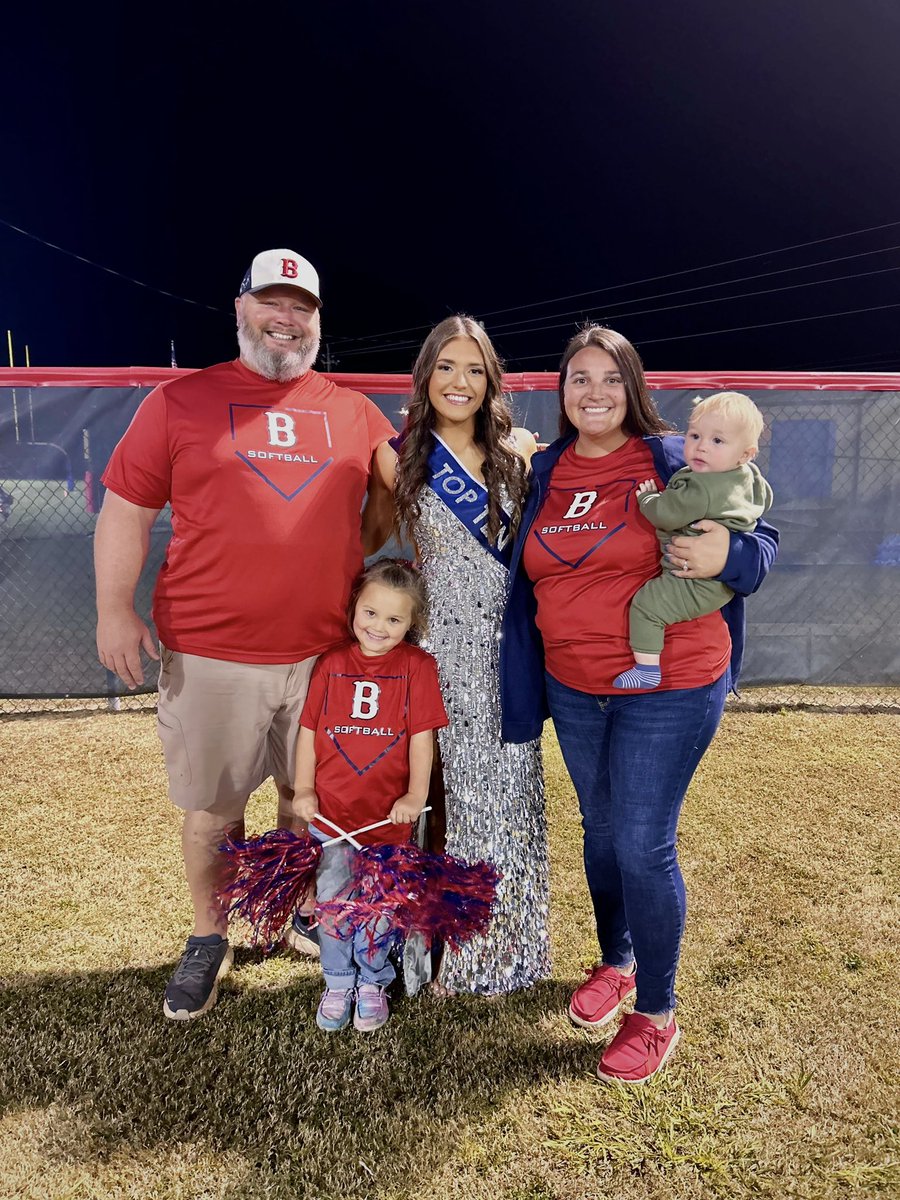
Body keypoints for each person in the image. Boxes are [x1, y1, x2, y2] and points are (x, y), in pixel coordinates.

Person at [94, 248, 396, 1021]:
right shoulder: (179, 401)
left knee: (306, 799)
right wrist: (113, 608)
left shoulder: (355, 412)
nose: (286, 319)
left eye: (302, 307)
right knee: (215, 808)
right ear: (239, 309)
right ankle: (208, 935)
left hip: (326, 650)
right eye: (271, 301)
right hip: (212, 651)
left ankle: (290, 909)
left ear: (318, 321)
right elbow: (127, 508)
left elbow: (405, 498)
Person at [500, 326, 778, 1083]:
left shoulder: (668, 457)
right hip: (575, 686)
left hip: (670, 682)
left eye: (610, 379)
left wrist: (734, 556)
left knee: (642, 841)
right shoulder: (543, 470)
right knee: (599, 833)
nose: (594, 393)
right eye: (578, 378)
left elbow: (759, 537)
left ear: (634, 388)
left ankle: (656, 1012)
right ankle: (617, 962)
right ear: (562, 391)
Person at [366, 315, 551, 996]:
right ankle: (431, 956)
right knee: (437, 803)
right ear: (425, 374)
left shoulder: (517, 450)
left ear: (491, 381)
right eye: (447, 366)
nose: (460, 381)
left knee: (506, 803)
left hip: (507, 656)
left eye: (475, 369)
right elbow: (367, 539)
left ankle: (502, 950)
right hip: (436, 654)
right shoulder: (396, 456)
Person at [293, 559, 448, 1032]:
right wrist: (303, 789)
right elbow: (308, 732)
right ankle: (338, 979)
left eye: (394, 619)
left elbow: (423, 738)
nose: (378, 627)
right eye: (370, 613)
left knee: (379, 901)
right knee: (335, 898)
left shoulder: (418, 667)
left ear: (411, 623)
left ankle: (373, 981)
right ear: (354, 608)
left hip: (386, 818)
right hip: (335, 815)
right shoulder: (332, 663)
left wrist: (414, 794)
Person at [613, 391, 774, 690]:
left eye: (717, 441)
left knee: (648, 605)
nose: (701, 447)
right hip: (715, 586)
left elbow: (667, 514)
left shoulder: (699, 482)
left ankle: (647, 669)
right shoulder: (747, 475)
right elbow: (764, 500)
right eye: (695, 435)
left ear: (745, 454)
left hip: (692, 580)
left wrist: (648, 499)